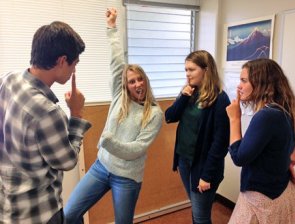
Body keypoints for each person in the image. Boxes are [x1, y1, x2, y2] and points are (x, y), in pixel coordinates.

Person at [64, 8, 163, 224]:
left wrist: (108, 141)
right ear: (125, 85)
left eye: (140, 79)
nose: (137, 84)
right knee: (69, 214)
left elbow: (136, 150)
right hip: (102, 167)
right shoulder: (120, 97)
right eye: (131, 81)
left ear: (145, 81)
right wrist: (111, 28)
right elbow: (117, 62)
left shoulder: (154, 113)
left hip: (127, 177)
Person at [0, 21, 91, 224]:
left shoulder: (8, 80)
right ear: (61, 61)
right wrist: (76, 113)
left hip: (8, 208)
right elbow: (67, 161)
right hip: (39, 213)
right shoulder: (47, 111)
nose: (73, 71)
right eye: (74, 64)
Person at [226, 58, 295, 223]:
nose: (239, 86)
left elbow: (239, 157)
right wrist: (286, 162)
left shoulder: (266, 115)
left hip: (261, 198)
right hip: (280, 190)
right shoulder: (284, 109)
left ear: (262, 84)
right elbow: (289, 147)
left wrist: (235, 118)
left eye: (244, 80)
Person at [165, 50, 230, 224]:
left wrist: (207, 176)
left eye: (191, 69)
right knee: (196, 209)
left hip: (203, 167)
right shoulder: (189, 93)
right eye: (185, 70)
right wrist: (183, 97)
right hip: (185, 161)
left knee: (201, 217)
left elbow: (221, 143)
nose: (187, 74)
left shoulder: (220, 99)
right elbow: (169, 117)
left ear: (206, 70)